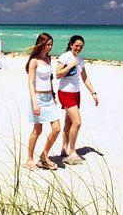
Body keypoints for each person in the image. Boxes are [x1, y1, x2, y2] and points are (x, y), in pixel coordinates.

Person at [55, 35, 99, 165]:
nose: (78, 48)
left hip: (76, 93)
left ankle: (64, 149)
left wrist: (93, 93)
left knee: (69, 123)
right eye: (76, 46)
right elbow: (57, 75)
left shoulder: (80, 59)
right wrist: (70, 65)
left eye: (81, 46)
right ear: (70, 45)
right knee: (77, 122)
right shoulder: (64, 57)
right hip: (65, 93)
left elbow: (85, 77)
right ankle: (72, 152)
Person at [25, 32, 60, 170]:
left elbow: (49, 79)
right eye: (47, 44)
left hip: (49, 98)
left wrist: (53, 94)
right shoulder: (34, 61)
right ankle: (29, 159)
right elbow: (30, 83)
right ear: (41, 44)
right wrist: (34, 102)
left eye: (51, 44)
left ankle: (44, 156)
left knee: (56, 128)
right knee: (37, 130)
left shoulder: (49, 59)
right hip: (38, 98)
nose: (49, 47)